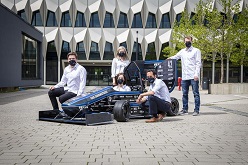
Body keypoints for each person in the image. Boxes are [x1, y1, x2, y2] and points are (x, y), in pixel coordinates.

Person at [168, 36, 201, 116]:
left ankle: (196, 110)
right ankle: (185, 109)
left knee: (195, 93)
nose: (187, 42)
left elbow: (198, 63)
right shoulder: (182, 51)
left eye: (188, 41)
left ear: (191, 41)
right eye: (186, 41)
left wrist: (196, 74)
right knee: (184, 94)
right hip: (185, 76)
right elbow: (176, 57)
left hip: (193, 76)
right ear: (184, 42)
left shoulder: (196, 51)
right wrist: (169, 58)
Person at [48, 52, 87, 117]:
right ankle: (56, 111)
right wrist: (54, 87)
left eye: (73, 58)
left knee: (61, 98)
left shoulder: (81, 69)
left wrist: (79, 95)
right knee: (51, 92)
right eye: (70, 58)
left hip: (75, 91)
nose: (71, 60)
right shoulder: (66, 69)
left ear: (76, 59)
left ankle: (68, 112)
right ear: (68, 59)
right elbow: (63, 82)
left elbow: (82, 82)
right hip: (68, 89)